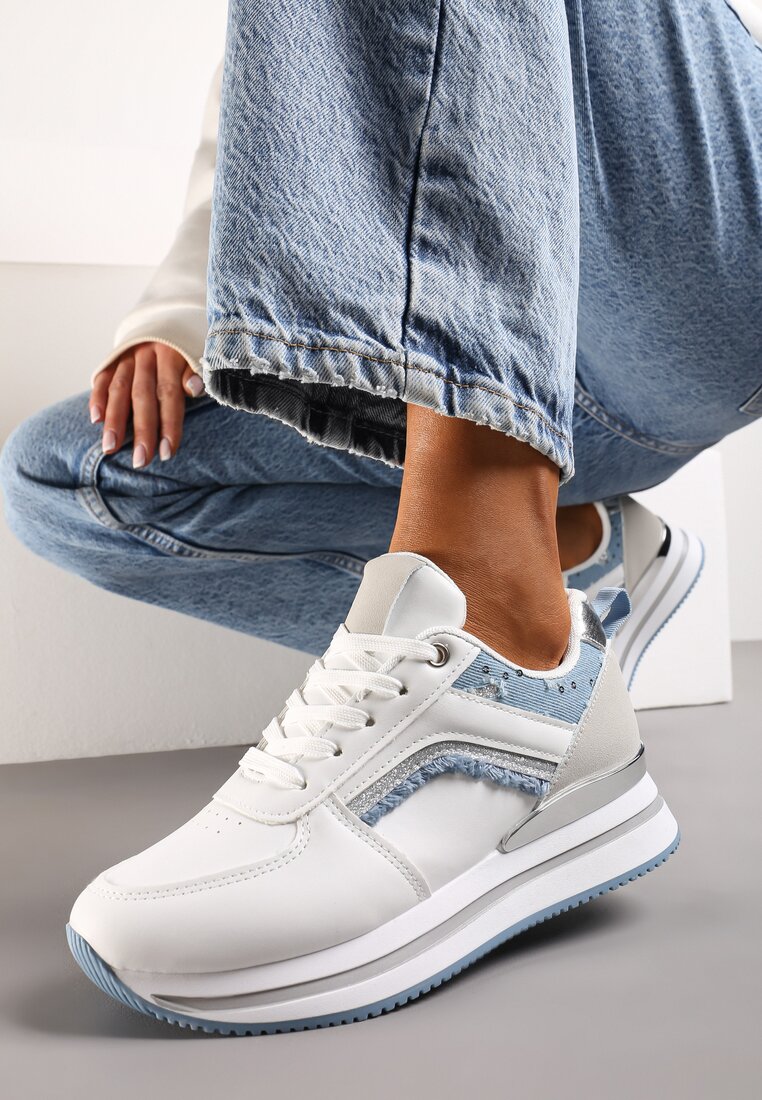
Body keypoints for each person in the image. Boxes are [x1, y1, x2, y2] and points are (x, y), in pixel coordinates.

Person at [3, 0, 761, 1032]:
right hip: (525, 345)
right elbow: (326, 76)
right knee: (78, 477)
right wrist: (182, 314)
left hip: (697, 243)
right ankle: (573, 568)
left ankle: (497, 635)